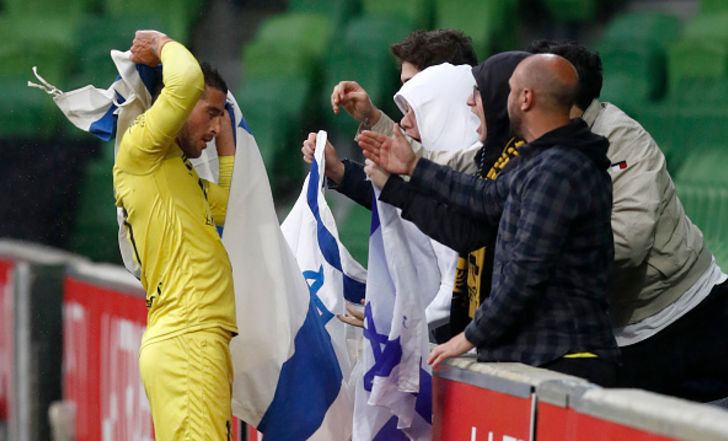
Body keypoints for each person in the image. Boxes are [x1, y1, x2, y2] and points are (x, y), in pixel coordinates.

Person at [358, 54, 621, 386]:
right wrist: (414, 168)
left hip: (565, 362)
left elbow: (526, 272)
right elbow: (486, 198)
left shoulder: (559, 170)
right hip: (544, 359)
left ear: (525, 98)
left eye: (509, 89)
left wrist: (470, 336)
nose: (472, 102)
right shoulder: (540, 162)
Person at [529, 40, 728, 401]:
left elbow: (630, 239)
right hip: (616, 327)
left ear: (565, 100)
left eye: (527, 89)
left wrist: (545, 259)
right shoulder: (533, 137)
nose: (517, 100)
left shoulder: (620, 138)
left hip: (684, 314)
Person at [113, 30, 236, 440]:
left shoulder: (175, 174)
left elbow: (224, 210)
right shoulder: (143, 149)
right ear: (177, 105)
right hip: (189, 339)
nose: (216, 126)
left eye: (221, 116)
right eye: (210, 113)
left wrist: (228, 149)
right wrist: (160, 42)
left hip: (193, 338)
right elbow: (185, 80)